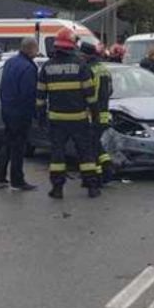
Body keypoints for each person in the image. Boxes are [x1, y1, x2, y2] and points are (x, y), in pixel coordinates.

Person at [37, 28, 101, 199]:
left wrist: (40, 117)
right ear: (72, 45)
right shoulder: (81, 65)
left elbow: (40, 97)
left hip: (56, 120)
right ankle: (92, 187)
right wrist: (95, 115)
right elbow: (91, 95)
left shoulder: (47, 67)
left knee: (57, 155)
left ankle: (57, 188)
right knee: (85, 153)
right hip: (79, 119)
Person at [0, 37, 40, 191]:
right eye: (36, 49)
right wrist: (34, 113)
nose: (37, 52)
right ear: (31, 49)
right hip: (21, 112)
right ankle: (17, 180)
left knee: (7, 143)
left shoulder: (10, 62)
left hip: (7, 109)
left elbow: (3, 86)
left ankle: (0, 175)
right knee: (19, 147)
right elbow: (28, 93)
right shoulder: (29, 67)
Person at [81, 41, 114, 184]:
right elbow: (110, 90)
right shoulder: (104, 68)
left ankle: (99, 176)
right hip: (104, 113)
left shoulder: (88, 70)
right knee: (96, 143)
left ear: (85, 55)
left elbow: (87, 93)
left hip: (92, 114)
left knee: (91, 146)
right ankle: (107, 167)